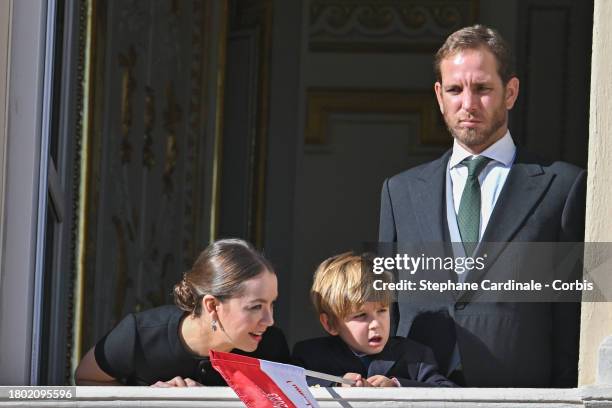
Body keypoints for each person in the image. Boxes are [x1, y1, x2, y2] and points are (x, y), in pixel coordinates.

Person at [378, 25, 585, 387]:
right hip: (421, 393)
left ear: (511, 92)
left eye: (483, 88)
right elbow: (386, 306)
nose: (468, 104)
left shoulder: (564, 187)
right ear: (439, 96)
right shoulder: (400, 192)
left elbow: (574, 315)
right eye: (455, 89)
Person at [75, 238, 290, 386]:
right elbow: (85, 379)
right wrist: (146, 399)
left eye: (272, 305)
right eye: (256, 307)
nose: (269, 320)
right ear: (212, 306)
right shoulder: (140, 334)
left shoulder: (271, 348)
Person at [292, 252, 455, 387]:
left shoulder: (415, 356)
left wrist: (397, 386)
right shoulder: (310, 355)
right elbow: (289, 384)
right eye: (361, 315)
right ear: (330, 324)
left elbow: (452, 394)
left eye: (382, 310)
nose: (376, 324)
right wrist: (338, 384)